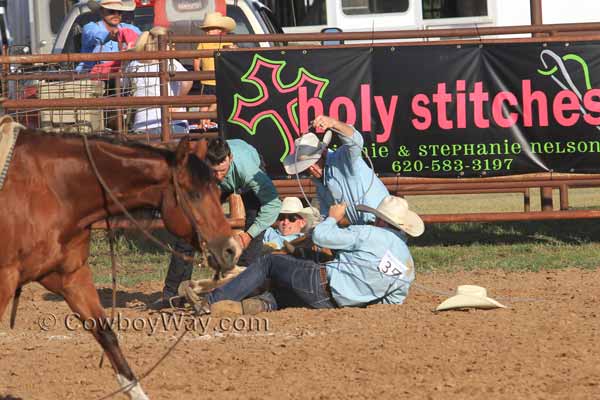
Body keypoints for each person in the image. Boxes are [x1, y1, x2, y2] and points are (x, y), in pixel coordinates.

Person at [190, 195, 424, 315]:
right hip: (332, 304)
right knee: (284, 293)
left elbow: (322, 236)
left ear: (382, 220)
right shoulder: (408, 266)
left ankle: (212, 301)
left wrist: (333, 216)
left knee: (269, 262)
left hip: (321, 283)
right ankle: (261, 305)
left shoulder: (369, 233)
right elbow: (391, 302)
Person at [155, 137, 282, 308]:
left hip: (245, 175)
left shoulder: (249, 170)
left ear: (230, 158)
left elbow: (273, 204)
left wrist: (248, 235)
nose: (219, 176)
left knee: (254, 221)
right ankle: (172, 294)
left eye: (223, 170)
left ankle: (243, 291)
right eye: (215, 171)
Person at [283, 115, 390, 226]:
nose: (311, 168)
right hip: (363, 227)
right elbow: (326, 215)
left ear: (324, 153)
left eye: (314, 162)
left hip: (381, 221)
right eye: (305, 167)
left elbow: (355, 142)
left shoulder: (343, 159)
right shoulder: (320, 185)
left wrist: (334, 123)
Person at [123, 27, 193, 135]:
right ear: (163, 44)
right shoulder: (170, 62)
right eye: (170, 44)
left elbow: (124, 86)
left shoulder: (134, 64)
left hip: (143, 123)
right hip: (174, 122)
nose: (173, 47)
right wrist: (177, 103)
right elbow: (188, 81)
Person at [193, 12, 236, 130]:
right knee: (204, 102)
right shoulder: (203, 42)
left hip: (219, 79)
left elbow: (232, 53)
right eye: (206, 29)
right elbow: (197, 58)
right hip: (206, 80)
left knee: (216, 101)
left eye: (211, 29)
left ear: (219, 30)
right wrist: (197, 70)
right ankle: (203, 122)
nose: (208, 32)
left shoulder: (226, 42)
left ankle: (206, 120)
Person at [77, 0, 141, 72]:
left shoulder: (129, 28)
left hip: (120, 76)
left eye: (119, 12)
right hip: (93, 76)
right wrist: (113, 35)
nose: (116, 15)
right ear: (101, 12)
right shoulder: (91, 27)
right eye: (111, 11)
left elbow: (144, 37)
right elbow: (95, 36)